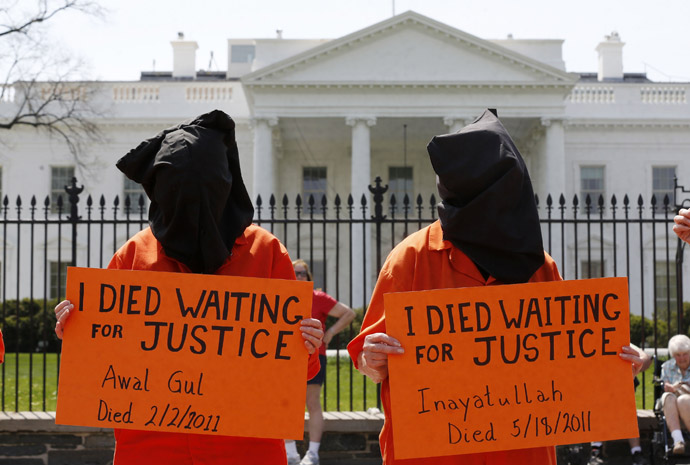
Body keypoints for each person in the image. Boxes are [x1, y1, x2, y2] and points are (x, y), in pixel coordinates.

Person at [346, 109, 647, 465]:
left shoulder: (540, 266)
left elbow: (565, 364)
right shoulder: (409, 258)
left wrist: (616, 365)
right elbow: (368, 361)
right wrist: (374, 358)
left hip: (522, 452)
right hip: (431, 453)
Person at [53, 110, 324, 465]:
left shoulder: (267, 253)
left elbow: (293, 375)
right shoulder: (132, 255)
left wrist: (305, 345)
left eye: (205, 197)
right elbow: (103, 364)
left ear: (223, 189)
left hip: (246, 450)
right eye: (181, 199)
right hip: (149, 450)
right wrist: (76, 331)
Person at [285, 259, 356, 465]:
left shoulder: (317, 297)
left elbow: (348, 313)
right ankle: (290, 455)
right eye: (295, 272)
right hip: (285, 360)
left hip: (314, 357)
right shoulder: (283, 296)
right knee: (286, 404)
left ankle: (313, 454)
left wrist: (331, 332)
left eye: (302, 274)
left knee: (312, 403)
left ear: (308, 278)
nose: (298, 276)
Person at [588, 344, 652, 465]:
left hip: (623, 388)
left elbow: (647, 358)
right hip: (601, 387)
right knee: (601, 404)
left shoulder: (620, 340)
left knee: (627, 409)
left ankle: (635, 452)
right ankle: (596, 449)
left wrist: (637, 363)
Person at [658, 334, 690, 455]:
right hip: (671, 401)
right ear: (673, 355)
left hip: (687, 400)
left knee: (683, 400)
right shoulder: (666, 367)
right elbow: (664, 385)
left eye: (685, 354)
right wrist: (670, 387)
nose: (682, 358)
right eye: (678, 355)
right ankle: (678, 441)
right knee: (667, 396)